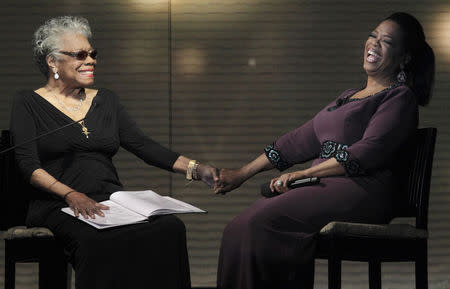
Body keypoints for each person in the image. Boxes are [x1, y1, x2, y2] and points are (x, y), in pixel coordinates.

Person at [214, 12, 435, 289]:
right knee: (238, 227)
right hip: (324, 185)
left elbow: (368, 151)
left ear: (405, 58)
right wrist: (241, 174)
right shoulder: (346, 97)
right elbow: (296, 141)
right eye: (373, 35)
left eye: (386, 41)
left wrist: (305, 173)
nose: (374, 44)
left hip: (363, 190)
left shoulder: (399, 97)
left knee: (260, 224)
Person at [10, 16, 218, 289]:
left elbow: (144, 146)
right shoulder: (28, 102)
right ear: (53, 61)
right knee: (97, 240)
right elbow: (29, 166)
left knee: (170, 228)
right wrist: (70, 194)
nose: (91, 60)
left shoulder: (106, 100)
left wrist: (196, 169)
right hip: (57, 202)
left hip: (109, 199)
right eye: (80, 55)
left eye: (93, 54)